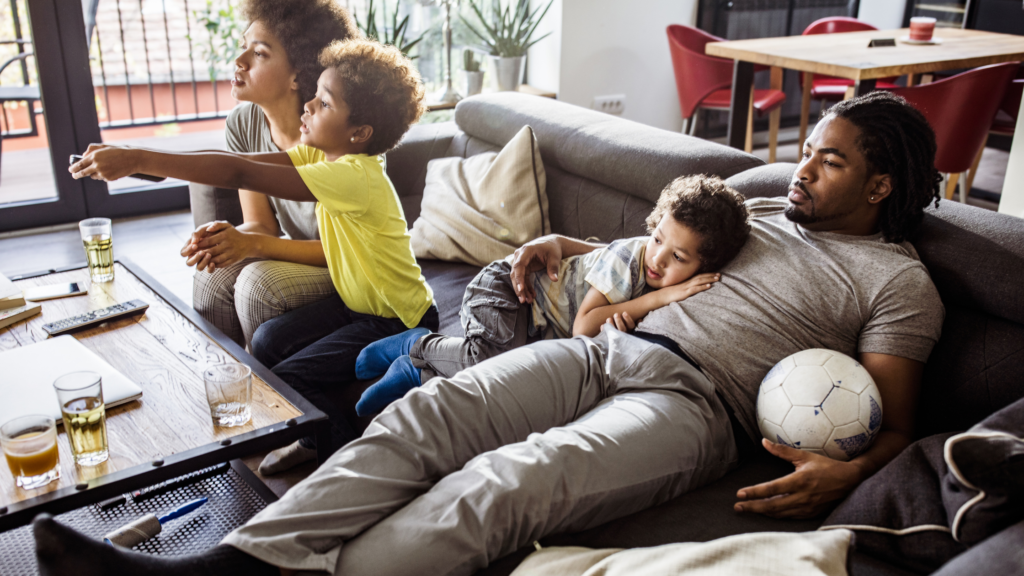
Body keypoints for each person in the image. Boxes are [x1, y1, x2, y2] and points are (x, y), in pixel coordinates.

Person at [34, 91, 945, 576]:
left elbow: (897, 424)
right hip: (595, 344)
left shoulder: (896, 281)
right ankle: (237, 565)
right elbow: (658, 246)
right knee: (429, 418)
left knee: (512, 481)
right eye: (810, 149)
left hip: (692, 403)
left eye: (829, 161)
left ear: (878, 187)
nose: (804, 168)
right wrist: (572, 242)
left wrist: (854, 466)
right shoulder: (758, 205)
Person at [67, 38, 438, 471]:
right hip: (359, 307)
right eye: (314, 96)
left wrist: (138, 157)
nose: (308, 107)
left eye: (323, 103)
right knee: (266, 342)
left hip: (400, 318)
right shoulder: (323, 154)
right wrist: (138, 162)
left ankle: (346, 463)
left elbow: (239, 172)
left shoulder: (354, 175)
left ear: (359, 133)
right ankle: (310, 437)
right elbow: (232, 159)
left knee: (294, 375)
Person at [353, 174, 750, 416]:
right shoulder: (636, 260)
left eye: (678, 257)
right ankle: (416, 350)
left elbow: (596, 252)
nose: (658, 259)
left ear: (704, 264)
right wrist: (659, 298)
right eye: (658, 238)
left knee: (507, 382)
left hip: (535, 322)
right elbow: (584, 326)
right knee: (491, 359)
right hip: (508, 289)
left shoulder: (650, 264)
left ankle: (425, 376)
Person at [185, 0, 357, 351]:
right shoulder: (243, 122)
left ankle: (275, 401)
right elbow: (260, 224)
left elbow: (343, 249)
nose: (240, 61)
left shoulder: (335, 134)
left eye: (259, 54)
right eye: (243, 47)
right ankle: (224, 387)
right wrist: (224, 237)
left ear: (299, 74)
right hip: (296, 252)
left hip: (347, 263)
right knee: (212, 274)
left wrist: (254, 245)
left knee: (257, 285)